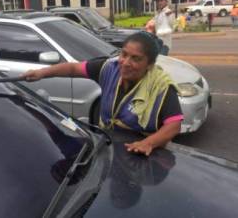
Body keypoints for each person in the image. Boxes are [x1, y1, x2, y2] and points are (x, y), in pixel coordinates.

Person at [22, 31, 183, 156]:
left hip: (142, 156)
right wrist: (41, 73)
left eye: (136, 59)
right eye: (124, 54)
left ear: (150, 64)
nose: (126, 63)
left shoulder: (161, 86)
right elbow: (72, 68)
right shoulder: (108, 69)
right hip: (108, 147)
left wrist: (148, 143)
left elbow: (174, 125)